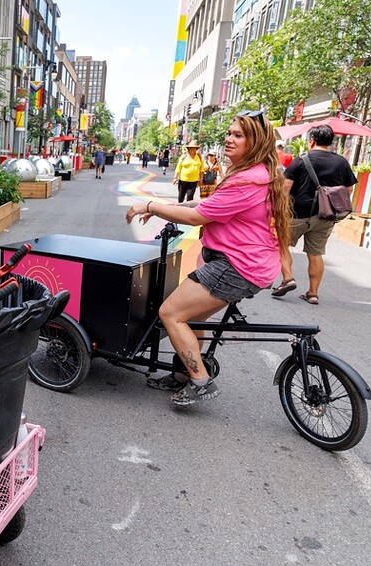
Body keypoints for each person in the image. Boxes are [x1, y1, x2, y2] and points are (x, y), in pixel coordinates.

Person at [125, 111, 291, 406]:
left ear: (256, 142)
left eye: (238, 135)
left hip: (236, 267)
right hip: (247, 264)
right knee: (194, 316)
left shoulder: (247, 181)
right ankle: (183, 374)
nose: (229, 139)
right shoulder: (257, 174)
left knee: (171, 314)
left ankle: (200, 381)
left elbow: (197, 216)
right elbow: (211, 205)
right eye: (229, 133)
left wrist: (148, 204)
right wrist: (163, 207)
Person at [270, 125, 357, 305]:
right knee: (315, 253)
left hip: (296, 214)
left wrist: (277, 210)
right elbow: (348, 188)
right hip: (325, 216)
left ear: (311, 141)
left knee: (282, 245)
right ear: (330, 142)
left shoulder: (301, 160)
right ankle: (313, 293)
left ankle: (288, 278)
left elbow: (285, 188)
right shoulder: (341, 162)